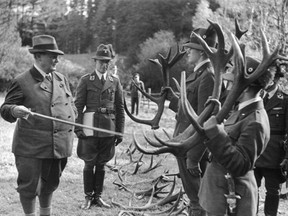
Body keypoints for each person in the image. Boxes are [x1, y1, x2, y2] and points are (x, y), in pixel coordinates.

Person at [0, 35, 77, 216]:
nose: (57, 60)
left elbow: (71, 105)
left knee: (49, 184)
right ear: (39, 56)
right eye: (53, 56)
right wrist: (14, 110)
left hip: (58, 144)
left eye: (57, 56)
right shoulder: (22, 81)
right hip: (31, 147)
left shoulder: (61, 79)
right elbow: (5, 108)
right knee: (29, 187)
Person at [199, 57, 272, 216]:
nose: (228, 87)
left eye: (231, 83)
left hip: (231, 200)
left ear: (244, 88)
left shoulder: (256, 122)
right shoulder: (243, 111)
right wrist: (217, 116)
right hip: (219, 195)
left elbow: (241, 164)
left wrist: (216, 134)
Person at [167, 25, 217, 216]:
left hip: (191, 148)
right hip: (184, 144)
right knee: (193, 198)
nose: (187, 51)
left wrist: (194, 157)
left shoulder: (207, 77)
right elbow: (188, 112)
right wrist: (171, 99)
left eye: (191, 48)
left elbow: (204, 122)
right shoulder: (198, 74)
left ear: (202, 51)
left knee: (197, 200)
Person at [74, 44, 125, 210]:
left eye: (107, 62)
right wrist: (78, 128)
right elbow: (78, 106)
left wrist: (119, 132)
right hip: (89, 127)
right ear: (95, 62)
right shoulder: (86, 80)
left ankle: (98, 197)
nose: (104, 64)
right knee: (89, 163)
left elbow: (120, 108)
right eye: (101, 61)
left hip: (108, 128)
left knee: (102, 163)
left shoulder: (115, 82)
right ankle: (88, 197)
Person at [254, 60, 288, 216]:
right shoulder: (255, 97)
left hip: (274, 155)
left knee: (272, 191)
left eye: (269, 76)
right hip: (254, 151)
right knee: (251, 188)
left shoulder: (285, 100)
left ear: (276, 78)